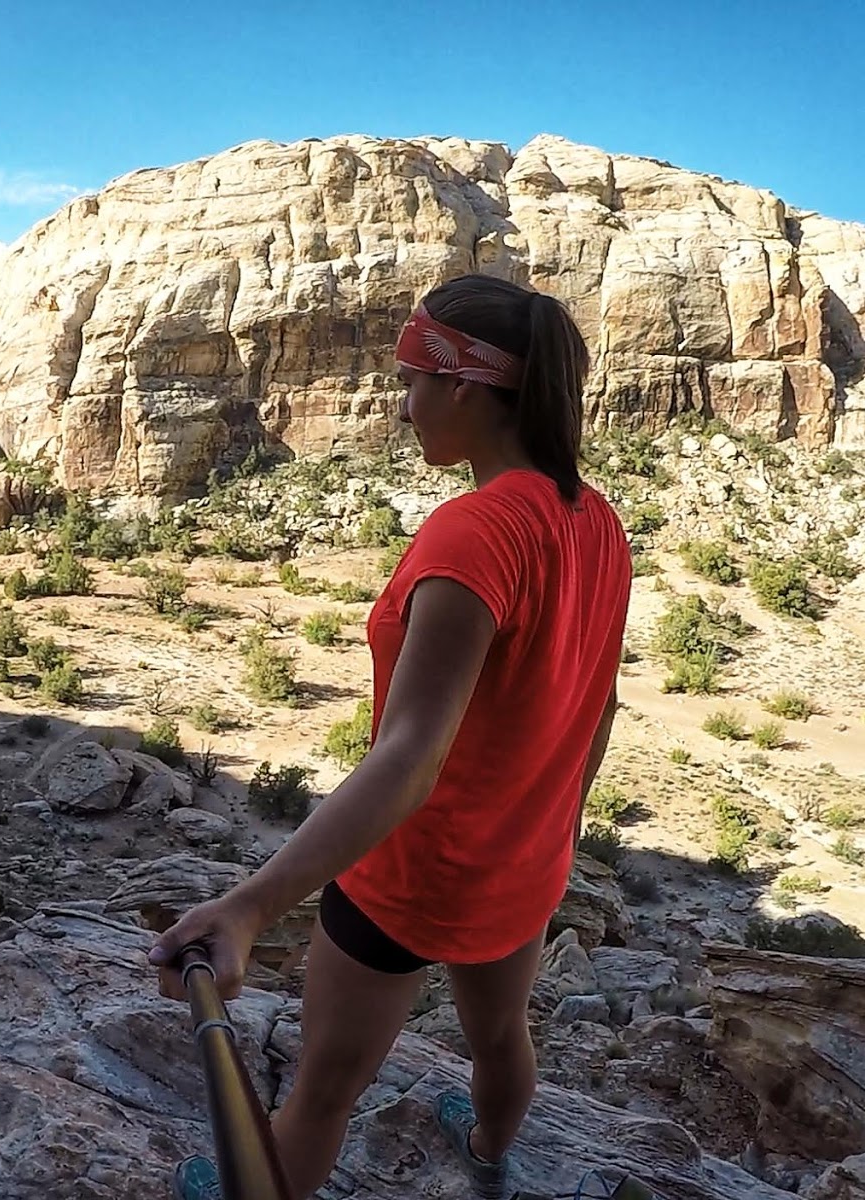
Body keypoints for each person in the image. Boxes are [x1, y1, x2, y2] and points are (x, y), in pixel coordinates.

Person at [154, 274, 633, 1200]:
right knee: (501, 1039)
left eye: (415, 378)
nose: (401, 402)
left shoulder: (474, 533)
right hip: (521, 865)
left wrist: (250, 909)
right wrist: (554, 828)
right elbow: (599, 704)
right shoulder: (596, 520)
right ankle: (492, 1161)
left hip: (412, 873)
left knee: (328, 1086)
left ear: (467, 387)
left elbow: (410, 755)